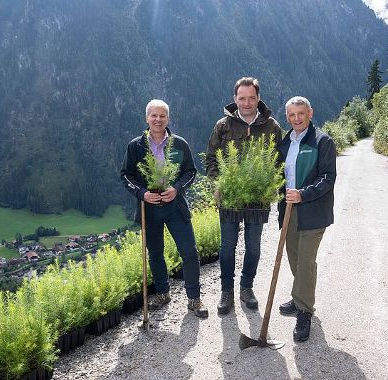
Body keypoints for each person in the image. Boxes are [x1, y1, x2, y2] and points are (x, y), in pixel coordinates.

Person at [120, 99, 208, 318]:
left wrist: (177, 189)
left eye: (162, 116)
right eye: (154, 115)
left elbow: (191, 172)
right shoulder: (135, 146)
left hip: (175, 206)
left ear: (168, 118)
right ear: (147, 118)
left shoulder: (179, 144)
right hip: (148, 209)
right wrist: (142, 194)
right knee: (156, 253)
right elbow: (126, 175)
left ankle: (194, 298)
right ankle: (163, 293)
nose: (158, 120)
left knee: (189, 251)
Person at [206, 77, 283, 315]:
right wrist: (217, 184)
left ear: (258, 98)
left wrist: (273, 186)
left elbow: (279, 162)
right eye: (242, 98)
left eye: (251, 98)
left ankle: (246, 287)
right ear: (235, 99)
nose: (247, 102)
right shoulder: (223, 126)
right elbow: (211, 159)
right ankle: (226, 291)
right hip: (229, 196)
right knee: (228, 246)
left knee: (254, 247)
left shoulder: (272, 126)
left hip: (258, 198)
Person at [277, 96, 337, 341]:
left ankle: (304, 311)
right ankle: (299, 295)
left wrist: (303, 194)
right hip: (288, 211)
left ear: (310, 113)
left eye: (301, 113)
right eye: (291, 115)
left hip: (313, 210)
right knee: (293, 258)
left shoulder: (322, 141)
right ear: (287, 117)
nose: (296, 118)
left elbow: (327, 177)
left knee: (305, 262)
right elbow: (279, 174)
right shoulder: (285, 142)